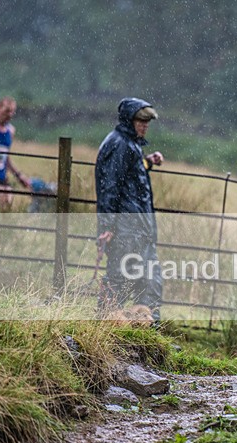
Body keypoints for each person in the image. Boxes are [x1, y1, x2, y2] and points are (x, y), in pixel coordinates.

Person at [95, 97, 165, 323]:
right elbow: (110, 186)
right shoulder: (119, 144)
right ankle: (106, 330)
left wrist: (148, 162)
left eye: (147, 122)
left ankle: (147, 338)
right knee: (119, 279)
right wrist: (107, 226)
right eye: (140, 121)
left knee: (149, 281)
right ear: (129, 120)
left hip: (139, 229)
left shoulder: (129, 144)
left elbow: (131, 172)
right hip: (126, 229)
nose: (145, 126)